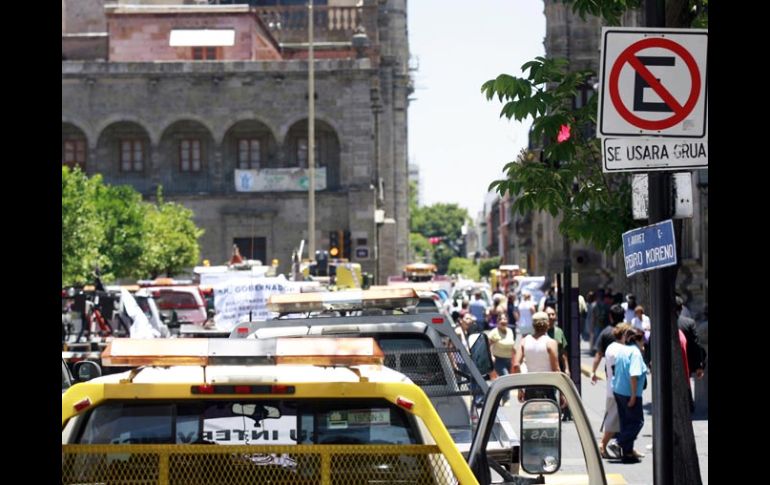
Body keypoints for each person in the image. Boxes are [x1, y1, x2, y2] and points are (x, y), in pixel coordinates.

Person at [591, 321, 632, 459]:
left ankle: (626, 448)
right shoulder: (621, 350)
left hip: (612, 388)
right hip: (619, 389)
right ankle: (602, 444)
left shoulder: (611, 348)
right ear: (625, 334)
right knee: (613, 420)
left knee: (618, 420)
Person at [607, 328, 648, 463]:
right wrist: (633, 396)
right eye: (644, 341)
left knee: (626, 422)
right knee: (637, 422)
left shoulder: (623, 350)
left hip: (618, 390)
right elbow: (634, 375)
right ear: (638, 340)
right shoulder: (635, 353)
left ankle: (628, 453)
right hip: (629, 392)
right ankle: (619, 442)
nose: (644, 344)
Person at [514, 311, 560, 403]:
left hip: (530, 386)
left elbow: (516, 365)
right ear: (547, 324)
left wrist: (520, 389)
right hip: (548, 385)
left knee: (531, 414)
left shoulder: (524, 341)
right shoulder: (551, 343)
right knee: (550, 415)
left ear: (533, 325)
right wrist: (562, 394)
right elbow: (556, 370)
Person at [488, 313, 516, 405]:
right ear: (497, 322)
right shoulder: (494, 333)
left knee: (506, 380)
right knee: (505, 377)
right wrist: (491, 356)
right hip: (498, 360)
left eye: (505, 319)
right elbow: (487, 346)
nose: (503, 321)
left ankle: (501, 397)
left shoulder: (510, 331)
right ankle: (506, 399)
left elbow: (513, 345)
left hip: (509, 359)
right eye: (501, 320)